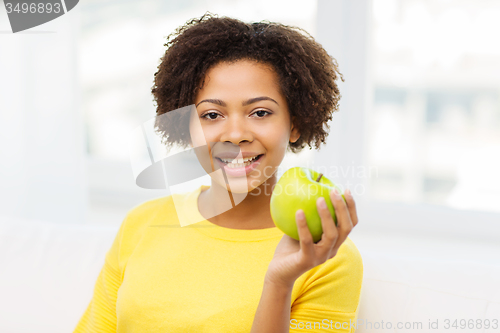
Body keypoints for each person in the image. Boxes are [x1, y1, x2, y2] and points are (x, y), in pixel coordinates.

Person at [74, 13, 363, 333]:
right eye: (212, 114)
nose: (235, 134)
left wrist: (279, 284)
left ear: (294, 124)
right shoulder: (141, 224)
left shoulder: (326, 256)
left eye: (260, 112)